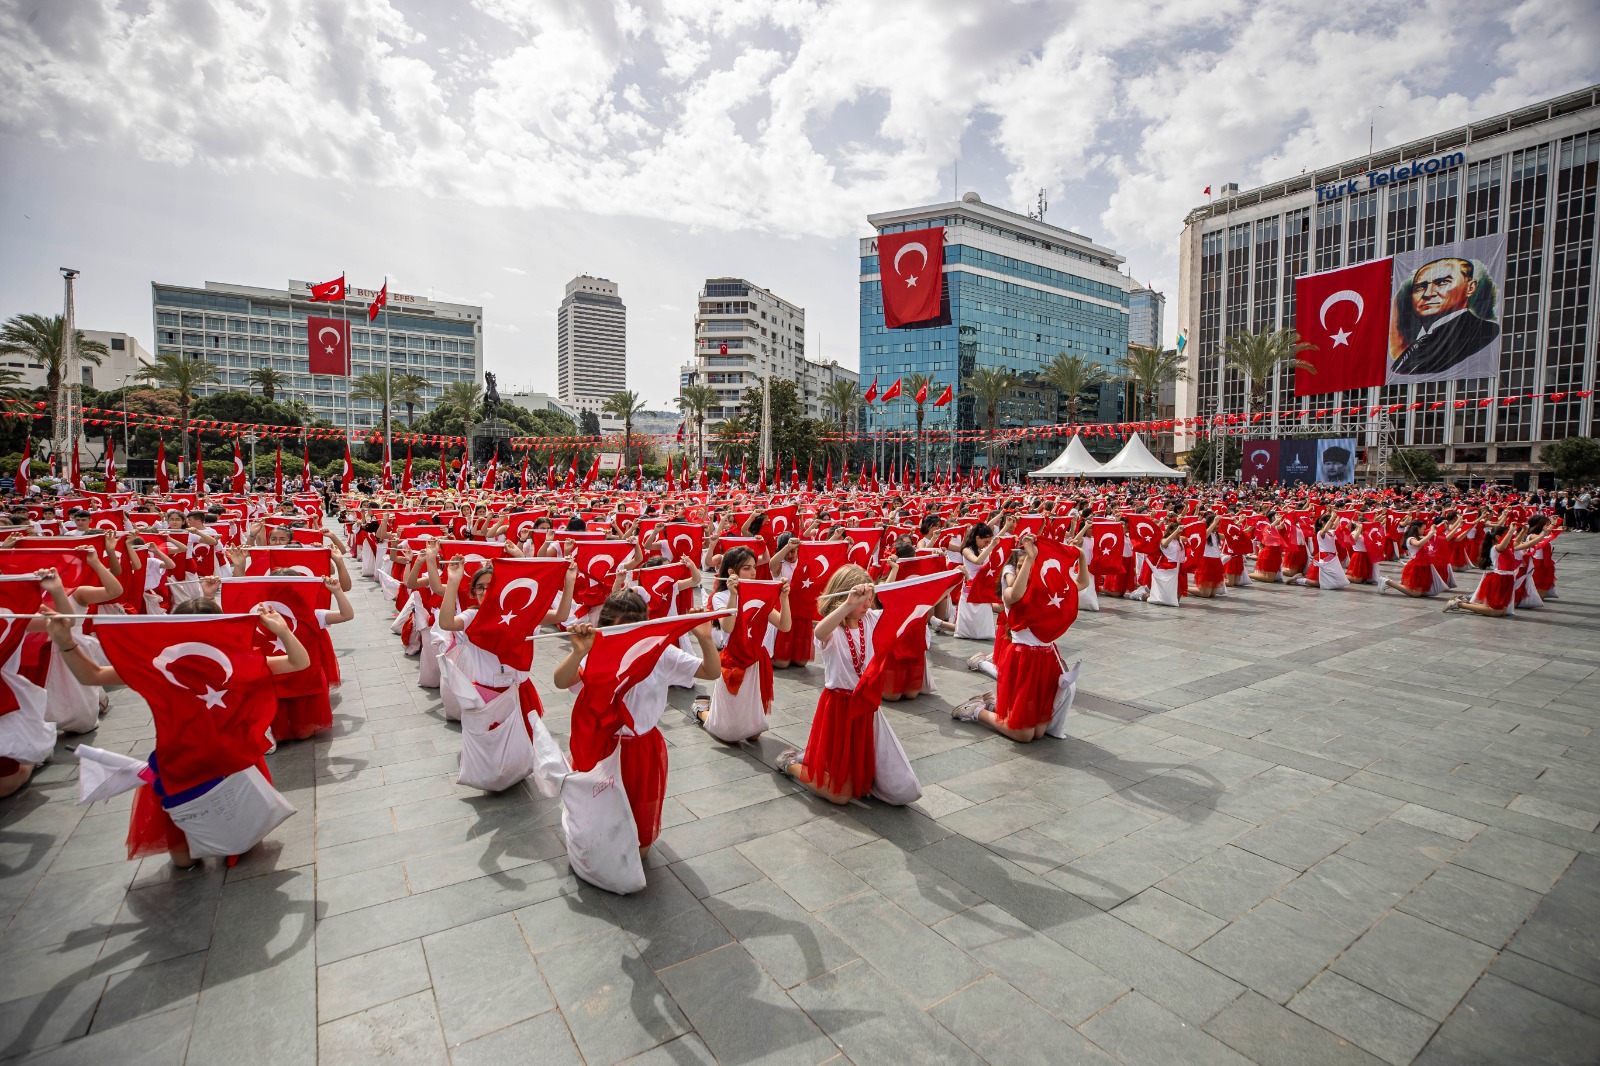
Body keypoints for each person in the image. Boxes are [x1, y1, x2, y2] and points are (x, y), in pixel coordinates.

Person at [44, 599, 309, 868]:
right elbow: (93, 675)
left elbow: (299, 662)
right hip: (184, 764)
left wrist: (283, 631)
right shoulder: (158, 666)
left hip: (227, 762)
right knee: (185, 859)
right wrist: (64, 640)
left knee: (237, 840)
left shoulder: (237, 662)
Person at [554, 591, 720, 859]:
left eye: (634, 625)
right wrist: (578, 652)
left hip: (641, 747)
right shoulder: (595, 649)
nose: (626, 634)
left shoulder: (660, 652)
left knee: (639, 847)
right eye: (617, 626)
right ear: (605, 626)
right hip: (601, 745)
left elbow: (711, 672)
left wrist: (704, 637)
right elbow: (561, 681)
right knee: (598, 829)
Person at [774, 565, 877, 803]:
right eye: (863, 602)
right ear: (844, 597)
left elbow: (905, 603)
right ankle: (790, 764)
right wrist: (850, 604)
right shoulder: (832, 629)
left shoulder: (869, 619)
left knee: (861, 788)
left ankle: (812, 757)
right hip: (838, 707)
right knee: (841, 796)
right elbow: (820, 631)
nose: (868, 606)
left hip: (862, 706)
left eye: (870, 601)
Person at [1390, 257, 1500, 377]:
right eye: (1420, 287)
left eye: (1442, 282)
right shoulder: (1416, 341)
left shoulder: (1483, 332)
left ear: (1470, 287)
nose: (1428, 294)